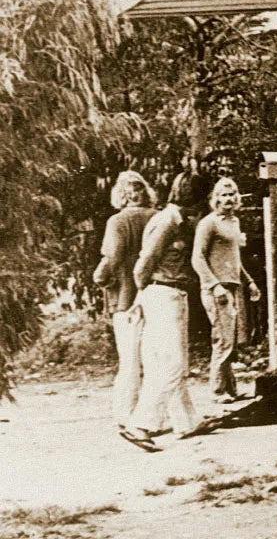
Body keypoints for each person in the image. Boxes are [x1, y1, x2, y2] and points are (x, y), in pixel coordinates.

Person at [120, 172, 207, 451]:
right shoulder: (167, 221)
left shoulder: (176, 220)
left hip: (170, 293)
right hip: (163, 294)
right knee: (173, 364)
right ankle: (141, 424)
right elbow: (143, 264)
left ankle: (187, 421)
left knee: (171, 360)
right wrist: (143, 295)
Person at [93, 171, 158, 429]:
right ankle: (153, 414)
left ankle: (125, 413)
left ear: (121, 195)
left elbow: (112, 257)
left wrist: (99, 277)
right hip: (155, 293)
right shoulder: (157, 217)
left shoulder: (117, 221)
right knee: (154, 356)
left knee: (129, 358)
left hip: (125, 296)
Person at [192, 177, 261, 403]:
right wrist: (215, 286)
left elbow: (234, 259)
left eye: (232, 194)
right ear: (216, 198)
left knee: (230, 338)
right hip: (216, 289)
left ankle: (231, 389)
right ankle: (218, 391)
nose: (228, 199)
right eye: (223, 195)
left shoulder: (234, 222)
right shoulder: (209, 223)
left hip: (233, 286)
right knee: (222, 339)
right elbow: (197, 258)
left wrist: (249, 282)